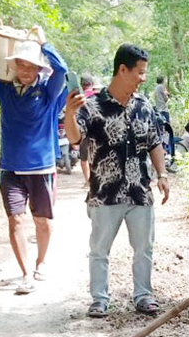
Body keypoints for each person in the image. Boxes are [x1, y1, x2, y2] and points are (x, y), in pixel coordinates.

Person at [64, 44, 171, 318]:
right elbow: (76, 139)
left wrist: (162, 174)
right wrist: (69, 114)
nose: (142, 78)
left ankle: (144, 295)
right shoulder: (93, 107)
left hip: (139, 192)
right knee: (99, 250)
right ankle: (99, 299)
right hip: (105, 193)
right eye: (139, 72)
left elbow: (155, 142)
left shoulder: (144, 106)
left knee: (144, 248)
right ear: (122, 70)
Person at [0, 27, 67, 294]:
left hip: (41, 168)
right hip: (9, 167)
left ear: (38, 68)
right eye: (20, 64)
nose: (24, 69)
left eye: (30, 65)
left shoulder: (48, 91)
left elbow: (62, 69)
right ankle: (25, 275)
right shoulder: (4, 91)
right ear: (14, 66)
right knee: (16, 220)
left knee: (42, 221)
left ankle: (41, 263)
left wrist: (44, 43)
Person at [79, 73, 97, 185]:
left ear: (81, 84)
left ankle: (87, 180)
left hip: (85, 132)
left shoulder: (80, 97)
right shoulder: (98, 95)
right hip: (98, 132)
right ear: (92, 83)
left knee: (84, 159)